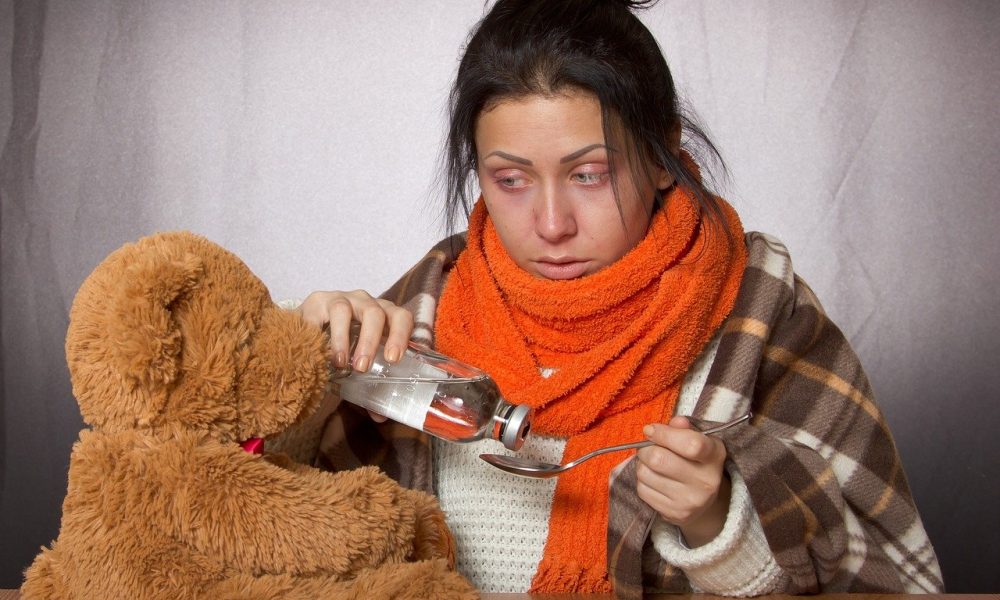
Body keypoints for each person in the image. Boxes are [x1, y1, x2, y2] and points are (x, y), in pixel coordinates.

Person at [289, 0, 944, 596]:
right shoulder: (428, 302)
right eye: (511, 180)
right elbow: (262, 528)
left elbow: (895, 580)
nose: (552, 224)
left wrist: (722, 525)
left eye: (590, 174)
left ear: (662, 156)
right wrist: (302, 386)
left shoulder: (761, 315)